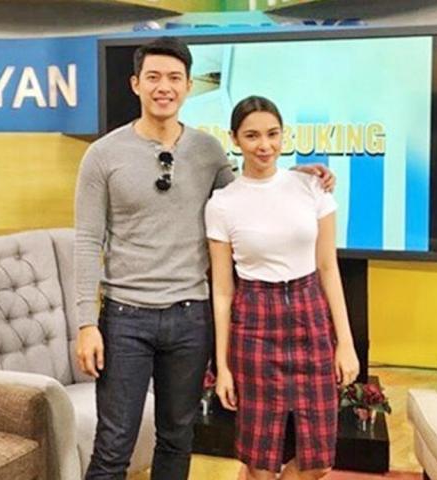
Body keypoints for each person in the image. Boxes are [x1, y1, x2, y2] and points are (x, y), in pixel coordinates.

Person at [74, 37, 334, 480]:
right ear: (136, 84)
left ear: (189, 86)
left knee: (178, 439)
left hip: (190, 318)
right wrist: (85, 323)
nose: (164, 87)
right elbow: (85, 240)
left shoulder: (208, 151)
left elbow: (249, 194)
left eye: (174, 78)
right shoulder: (103, 155)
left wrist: (296, 178)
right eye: (153, 77)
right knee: (114, 445)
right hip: (125, 317)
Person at [205, 96, 360, 480]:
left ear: (283, 135)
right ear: (234, 139)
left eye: (273, 134)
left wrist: (345, 342)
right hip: (254, 325)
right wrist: (222, 367)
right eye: (252, 136)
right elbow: (222, 291)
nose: (265, 145)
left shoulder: (312, 186)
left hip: (311, 319)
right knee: (259, 464)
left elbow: (328, 268)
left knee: (318, 462)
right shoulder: (222, 204)